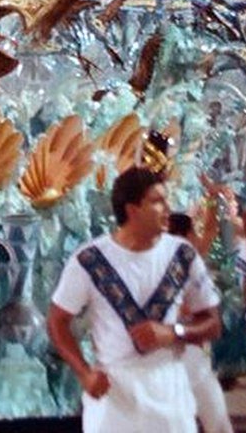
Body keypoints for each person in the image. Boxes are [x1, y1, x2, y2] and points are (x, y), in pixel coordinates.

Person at [47, 167, 222, 433]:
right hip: (114, 402)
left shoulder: (182, 255)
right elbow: (57, 321)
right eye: (157, 201)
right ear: (132, 210)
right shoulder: (90, 260)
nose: (167, 208)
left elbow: (212, 323)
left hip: (170, 395)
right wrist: (84, 372)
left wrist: (174, 332)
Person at [167, 211, 233, 433]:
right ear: (186, 234)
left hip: (185, 353)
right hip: (187, 355)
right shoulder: (181, 261)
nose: (197, 236)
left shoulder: (188, 259)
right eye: (193, 232)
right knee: (216, 421)